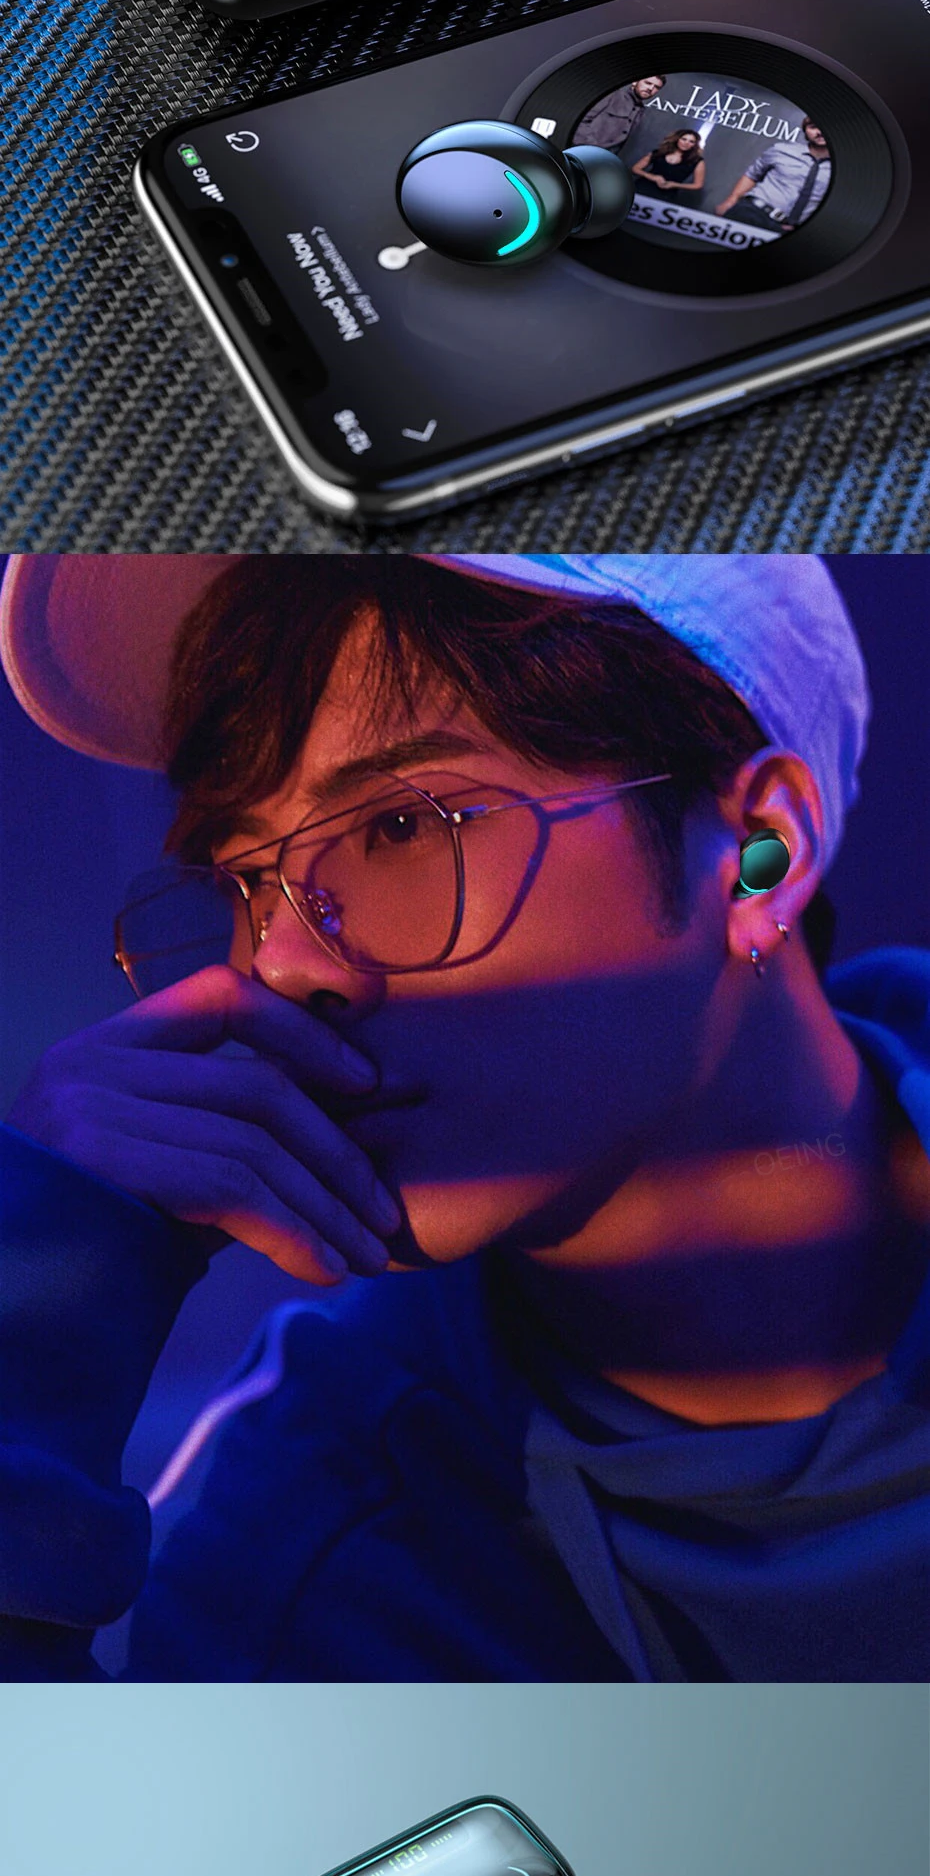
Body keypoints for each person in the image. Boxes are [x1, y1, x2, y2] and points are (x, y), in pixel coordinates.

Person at [2, 554, 929, 1685]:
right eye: (245, 879)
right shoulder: (297, 1564)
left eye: (402, 824)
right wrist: (35, 1296)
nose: (281, 964)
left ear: (757, 853)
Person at [715, 119, 831, 232]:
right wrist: (731, 200)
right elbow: (752, 175)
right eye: (813, 127)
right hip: (753, 211)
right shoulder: (781, 150)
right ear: (805, 131)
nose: (820, 132)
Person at [571, 75, 666, 156]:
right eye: (648, 83)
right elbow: (581, 121)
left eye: (657, 87)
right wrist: (591, 148)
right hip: (581, 152)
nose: (651, 88)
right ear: (635, 82)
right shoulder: (612, 95)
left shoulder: (640, 110)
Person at [632, 127, 705, 196]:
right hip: (640, 189)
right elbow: (635, 168)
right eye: (684, 139)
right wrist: (652, 177)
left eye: (691, 141)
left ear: (694, 145)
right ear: (677, 139)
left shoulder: (697, 161)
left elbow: (698, 185)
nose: (686, 143)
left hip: (665, 196)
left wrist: (674, 185)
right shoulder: (659, 152)